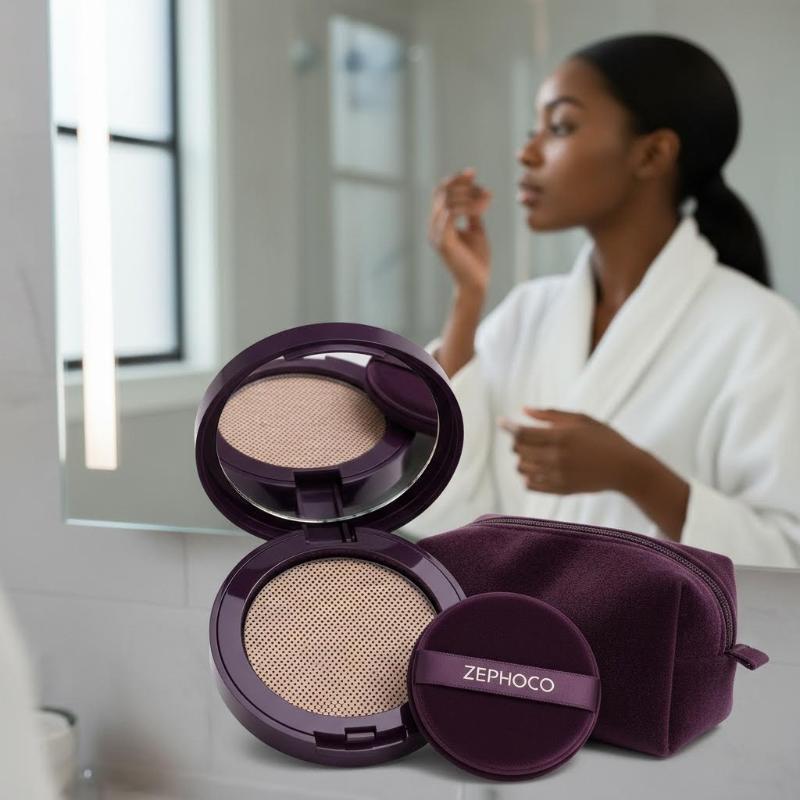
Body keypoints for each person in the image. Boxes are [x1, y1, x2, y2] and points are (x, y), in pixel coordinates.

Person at [402, 34, 800, 569]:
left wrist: (637, 476)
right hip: (504, 622)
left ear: (652, 154)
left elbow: (786, 555)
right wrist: (468, 298)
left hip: (655, 629)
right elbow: (446, 512)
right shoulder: (528, 312)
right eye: (534, 130)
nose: (527, 153)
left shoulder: (760, 330)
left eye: (561, 127)